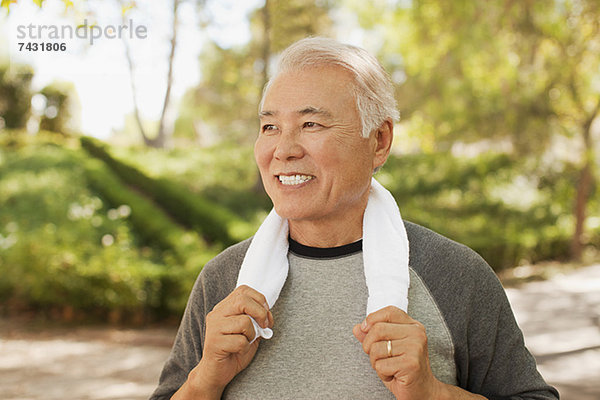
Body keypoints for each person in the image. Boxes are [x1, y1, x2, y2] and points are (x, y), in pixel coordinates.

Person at [150, 37, 559, 400]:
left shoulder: (455, 275)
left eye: (310, 124)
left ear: (379, 141)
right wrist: (205, 381)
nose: (284, 149)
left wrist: (432, 393)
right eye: (270, 126)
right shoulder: (223, 281)